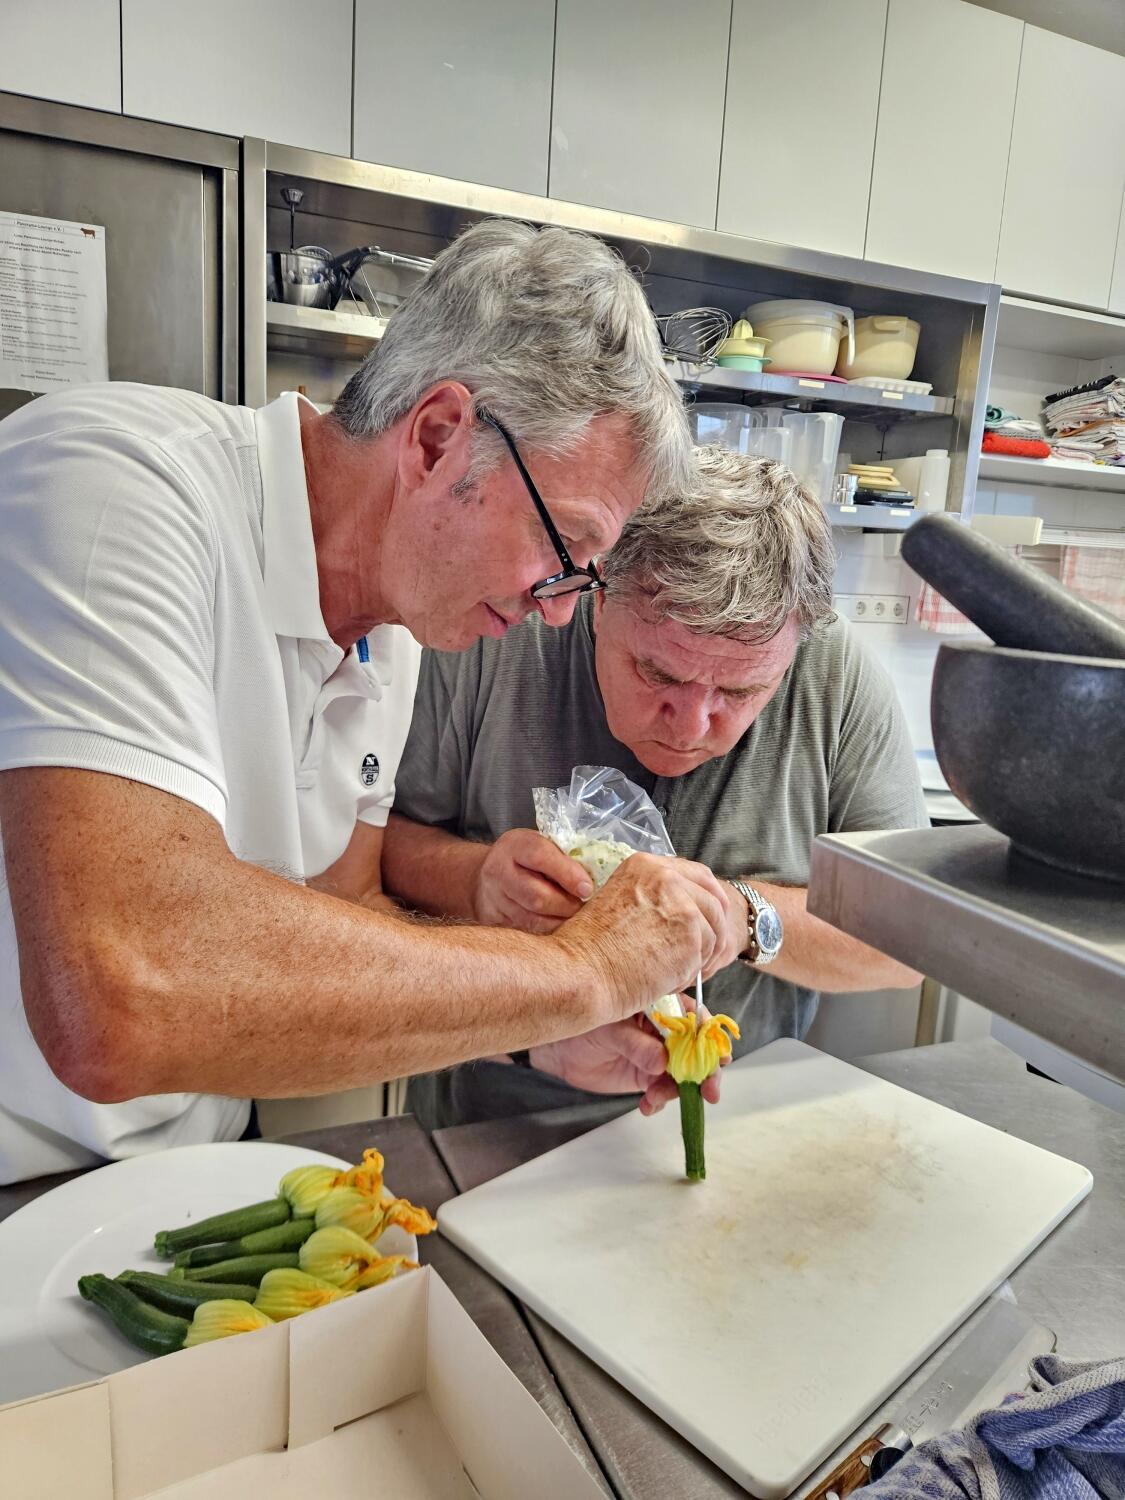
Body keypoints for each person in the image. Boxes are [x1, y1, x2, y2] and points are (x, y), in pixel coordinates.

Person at [0, 219, 737, 1185]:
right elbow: (120, 993)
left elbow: (340, 910)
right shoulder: (115, 483)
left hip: (183, 1173)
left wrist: (539, 1035)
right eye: (565, 549)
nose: (558, 611)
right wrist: (580, 974)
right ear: (437, 438)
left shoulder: (393, 625)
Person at [383, 446, 927, 1131]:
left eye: (740, 690)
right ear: (597, 595)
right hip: (494, 1116)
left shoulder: (835, 674)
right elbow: (367, 857)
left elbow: (910, 941)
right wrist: (474, 881)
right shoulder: (498, 632)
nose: (691, 726)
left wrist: (743, 920)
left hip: (745, 1119)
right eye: (657, 674)